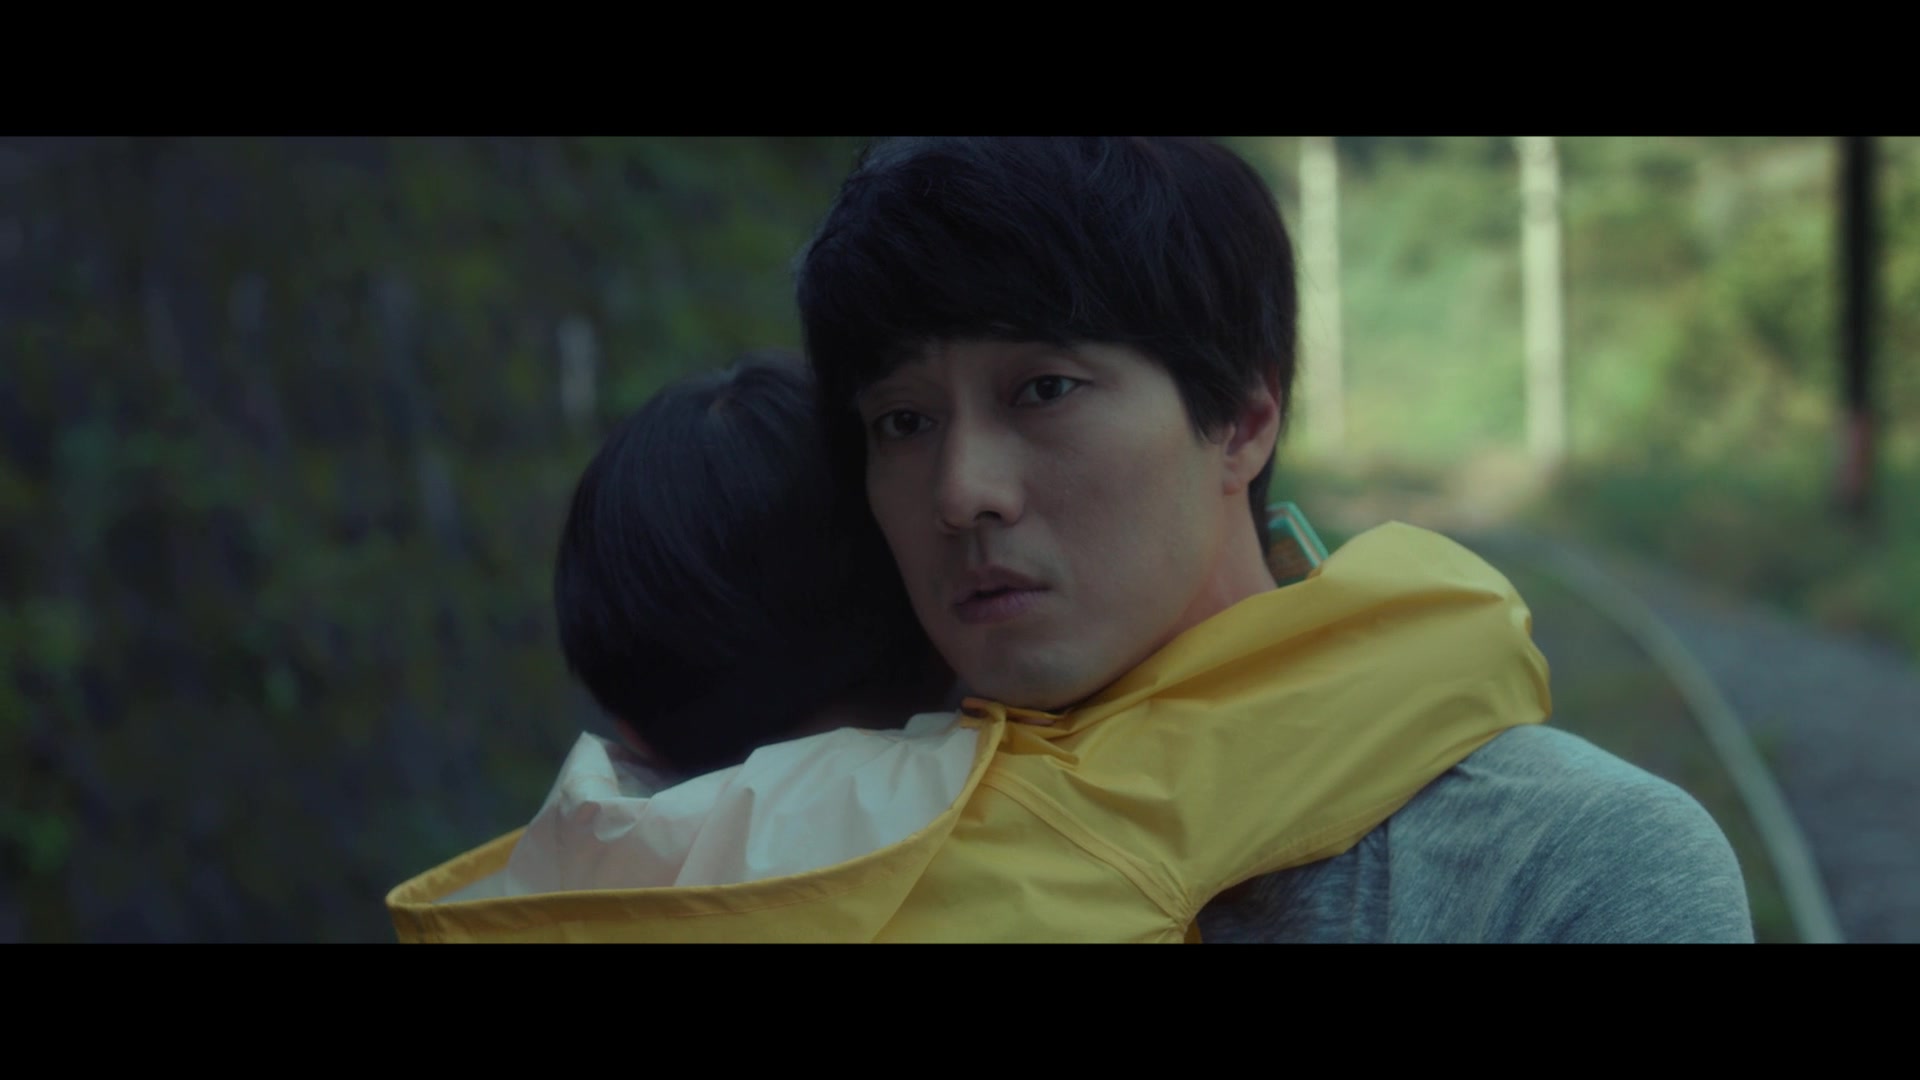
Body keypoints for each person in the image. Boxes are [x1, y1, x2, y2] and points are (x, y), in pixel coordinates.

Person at [794, 136, 1754, 943]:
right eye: (903, 421)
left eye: (1044, 389)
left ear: (1243, 420)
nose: (962, 493)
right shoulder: (810, 841)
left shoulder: (1567, 861)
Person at [383, 352, 1553, 942]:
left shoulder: (532, 885)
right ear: (930, 628)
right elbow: (1394, 669)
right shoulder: (1002, 823)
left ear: (624, 719)